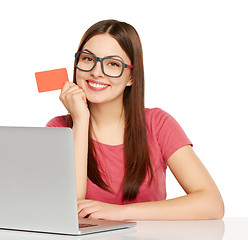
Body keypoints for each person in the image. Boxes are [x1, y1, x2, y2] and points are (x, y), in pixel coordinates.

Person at [46, 19, 224, 221]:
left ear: (131, 76)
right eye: (87, 59)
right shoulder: (57, 128)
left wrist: (120, 212)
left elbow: (212, 204)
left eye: (113, 64)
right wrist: (80, 120)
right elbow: (66, 210)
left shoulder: (158, 124)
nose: (96, 72)